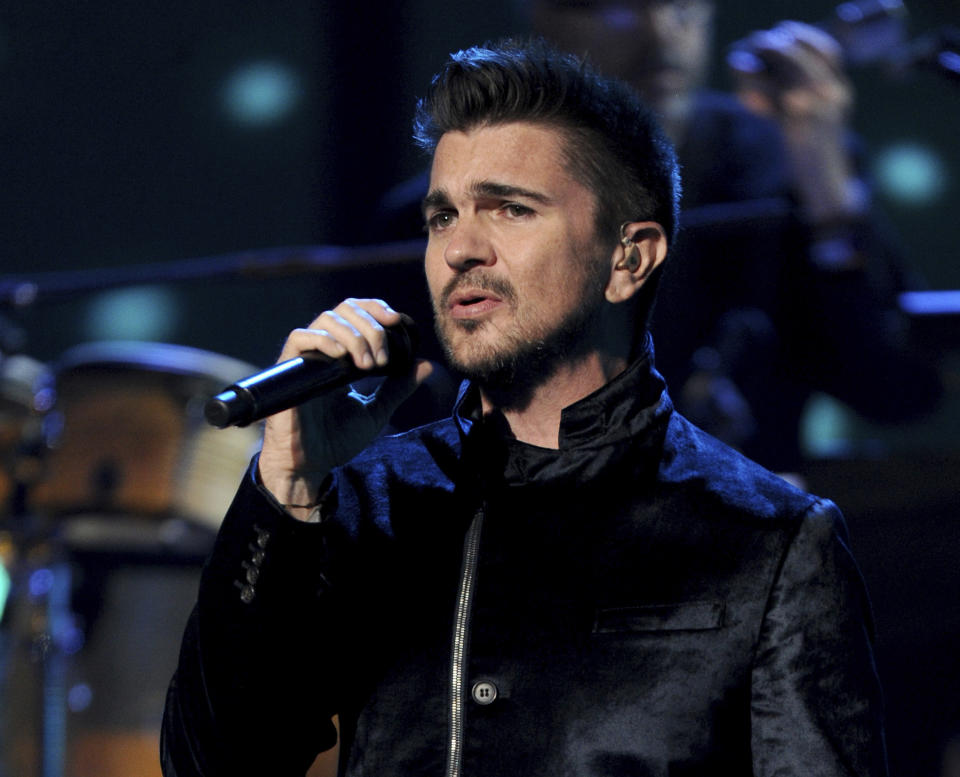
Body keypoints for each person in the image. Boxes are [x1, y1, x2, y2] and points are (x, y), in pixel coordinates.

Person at [161, 40, 887, 776]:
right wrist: (283, 490)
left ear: (629, 258)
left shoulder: (769, 538)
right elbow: (214, 764)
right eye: (442, 217)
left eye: (508, 208)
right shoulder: (370, 500)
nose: (460, 249)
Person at [378, 1, 942, 472]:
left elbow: (896, 391)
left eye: (681, 4)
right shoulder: (437, 220)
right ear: (546, 17)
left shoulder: (785, 166)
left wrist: (830, 198)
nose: (661, 31)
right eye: (621, 4)